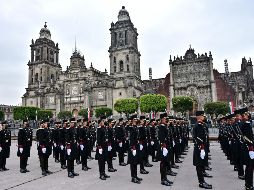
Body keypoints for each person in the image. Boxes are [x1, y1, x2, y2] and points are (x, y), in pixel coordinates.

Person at [193, 111, 212, 189]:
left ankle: (202, 181)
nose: (204, 117)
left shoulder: (201, 125)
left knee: (200, 164)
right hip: (200, 148)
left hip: (201, 147)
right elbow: (199, 138)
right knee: (199, 165)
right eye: (202, 116)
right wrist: (202, 148)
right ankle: (201, 182)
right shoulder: (198, 126)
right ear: (199, 117)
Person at [158, 113, 173, 186]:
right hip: (163, 147)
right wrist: (163, 147)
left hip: (167, 146)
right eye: (165, 118)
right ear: (162, 119)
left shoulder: (165, 126)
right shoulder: (161, 126)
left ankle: (165, 178)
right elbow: (161, 138)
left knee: (166, 162)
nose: (166, 119)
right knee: (163, 163)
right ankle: (163, 179)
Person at [127, 114, 142, 184]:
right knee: (133, 162)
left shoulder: (135, 127)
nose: (136, 120)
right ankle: (133, 177)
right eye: (135, 119)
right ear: (132, 120)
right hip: (133, 147)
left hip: (136, 145)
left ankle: (135, 175)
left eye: (136, 119)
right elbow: (131, 139)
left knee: (135, 162)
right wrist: (133, 147)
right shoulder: (130, 128)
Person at [95, 116, 110, 180]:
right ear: (100, 123)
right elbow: (98, 139)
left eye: (103, 121)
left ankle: (104, 172)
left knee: (104, 160)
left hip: (105, 146)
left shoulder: (104, 128)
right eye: (102, 122)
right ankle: (101, 174)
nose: (103, 122)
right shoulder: (99, 129)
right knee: (101, 161)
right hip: (101, 147)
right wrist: (99, 147)